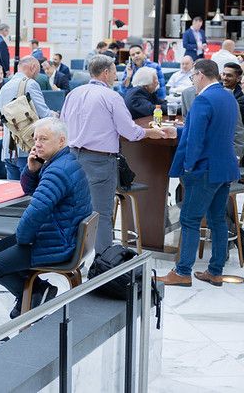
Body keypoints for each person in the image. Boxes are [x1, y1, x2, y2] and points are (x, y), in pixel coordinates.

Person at [61, 54, 172, 253]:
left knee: (76, 211)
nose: (116, 76)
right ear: (105, 73)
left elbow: (63, 124)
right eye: (114, 71)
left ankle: (75, 256)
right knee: (102, 214)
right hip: (99, 161)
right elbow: (129, 131)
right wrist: (151, 132)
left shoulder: (73, 93)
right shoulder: (111, 97)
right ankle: (103, 263)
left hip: (72, 157)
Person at [0, 117, 92, 318]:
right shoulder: (63, 161)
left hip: (60, 243)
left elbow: (34, 214)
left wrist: (23, 241)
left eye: (44, 139)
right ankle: (39, 290)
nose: (37, 144)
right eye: (35, 139)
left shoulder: (57, 172)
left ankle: (33, 294)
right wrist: (32, 170)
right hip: (66, 235)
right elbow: (30, 190)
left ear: (61, 141)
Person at [156, 60, 240, 287]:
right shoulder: (228, 97)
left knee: (190, 220)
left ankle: (182, 272)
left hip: (203, 168)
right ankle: (215, 271)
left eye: (193, 76)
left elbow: (196, 139)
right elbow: (213, 130)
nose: (192, 79)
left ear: (201, 75)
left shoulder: (203, 99)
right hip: (224, 168)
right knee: (217, 221)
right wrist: (179, 129)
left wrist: (188, 166)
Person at [0, 56, 54, 180]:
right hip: (27, 150)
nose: (38, 75)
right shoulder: (30, 84)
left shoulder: (4, 87)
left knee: (13, 195)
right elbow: (44, 115)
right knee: (29, 193)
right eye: (38, 72)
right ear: (33, 67)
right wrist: (56, 115)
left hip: (8, 150)